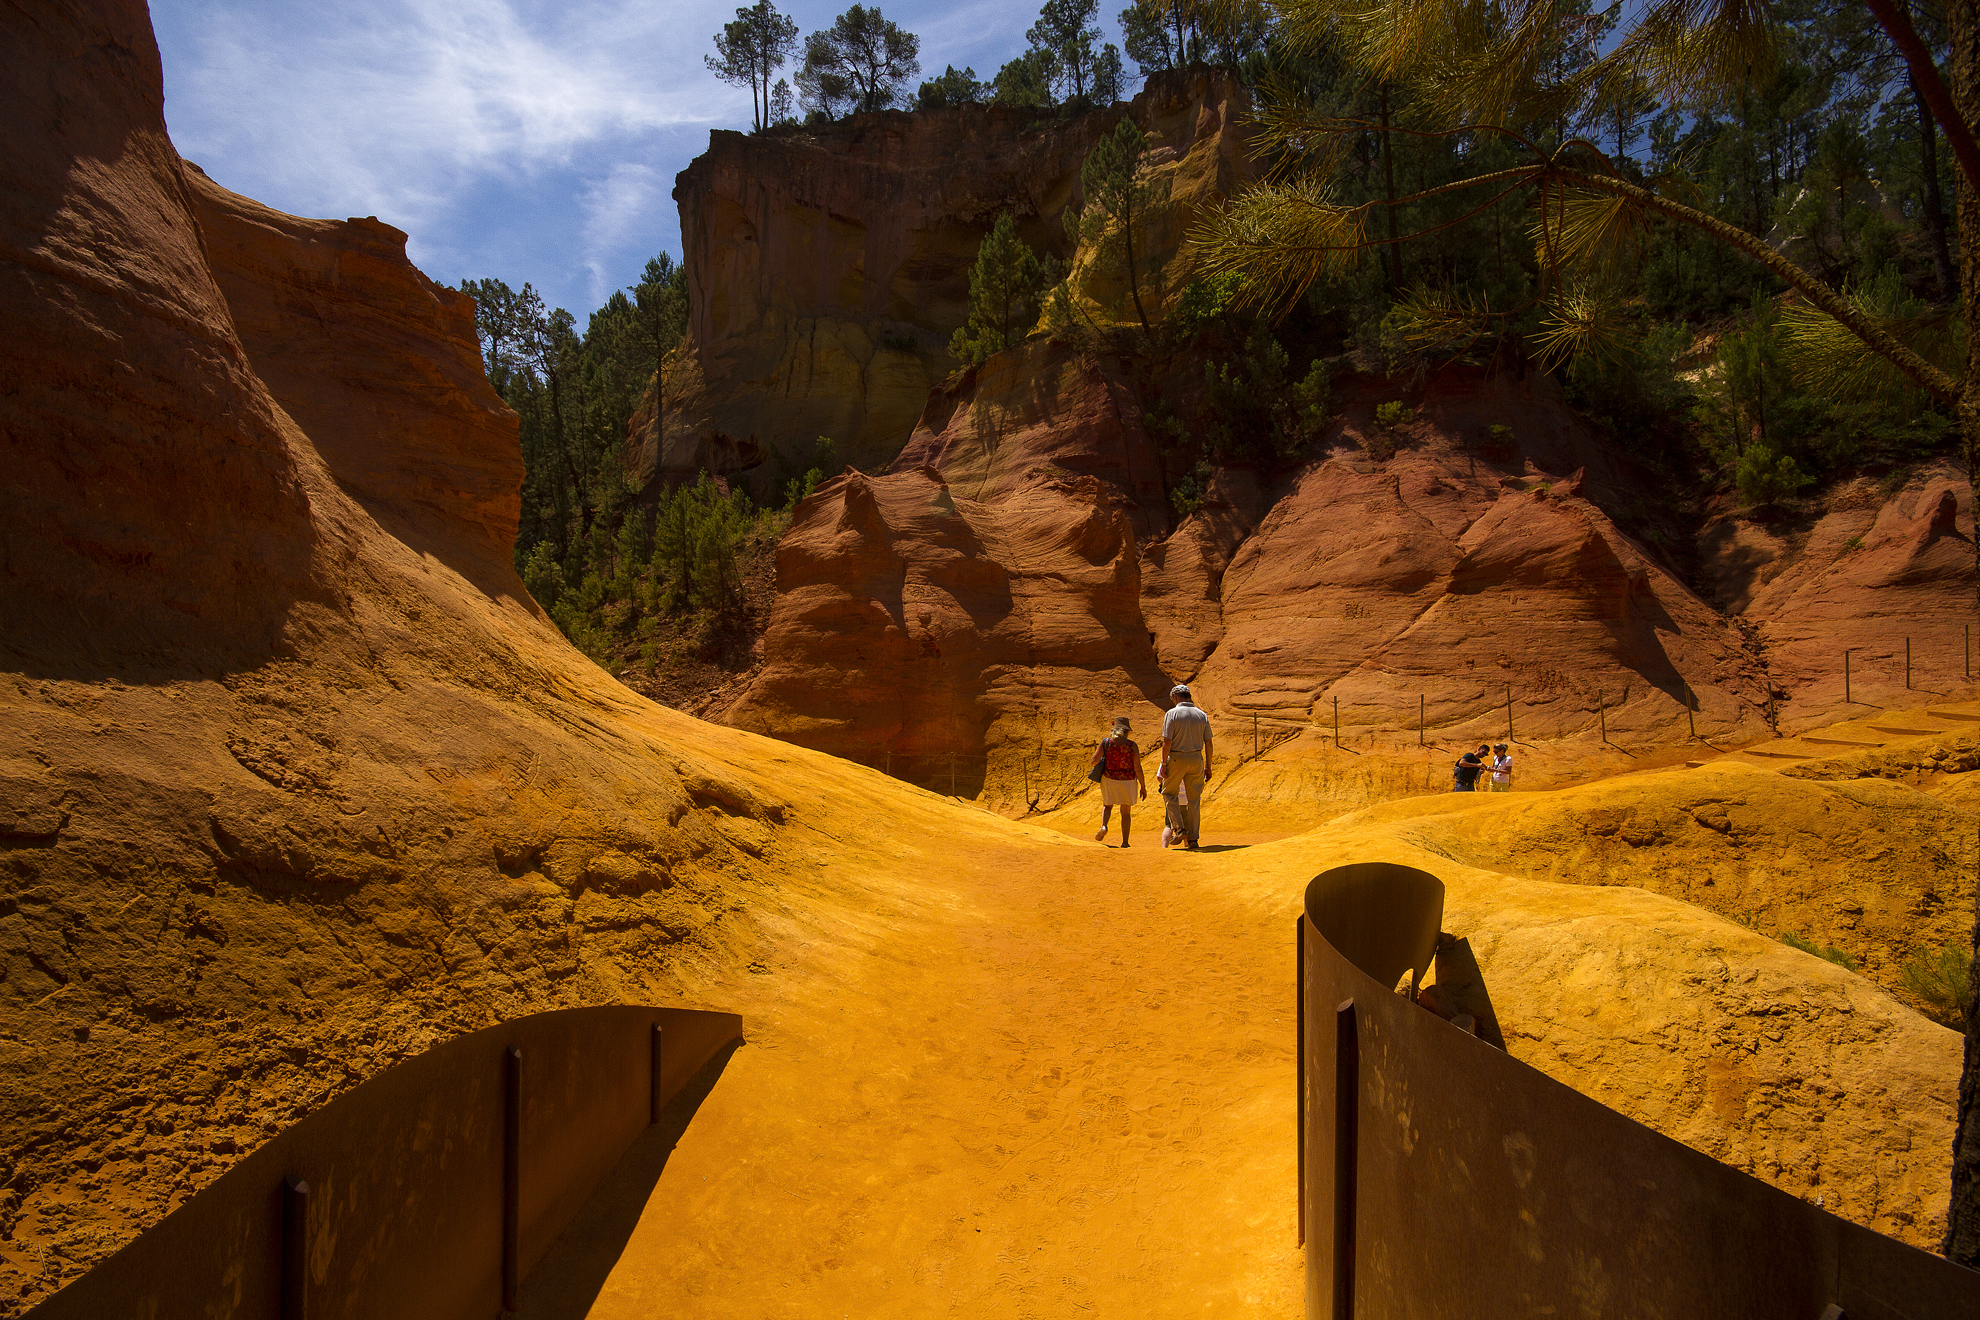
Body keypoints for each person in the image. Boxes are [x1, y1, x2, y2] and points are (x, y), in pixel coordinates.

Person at [1157, 684, 1213, 850]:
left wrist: (1164, 764)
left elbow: (1167, 741)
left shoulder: (1172, 714)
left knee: (1168, 792)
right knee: (1194, 799)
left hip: (1176, 757)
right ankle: (1194, 839)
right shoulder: (1202, 715)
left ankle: (1179, 828)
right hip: (1196, 758)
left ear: (1175, 697)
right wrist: (1208, 766)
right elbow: (1208, 742)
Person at [1090, 716, 1147, 846]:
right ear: (1126, 731)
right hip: (1128, 780)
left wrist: (1102, 758)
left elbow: (1094, 760)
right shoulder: (1132, 746)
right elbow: (1137, 767)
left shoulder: (1106, 742)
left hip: (1109, 779)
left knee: (1107, 805)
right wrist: (1143, 786)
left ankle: (1104, 826)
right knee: (1125, 812)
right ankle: (1125, 842)